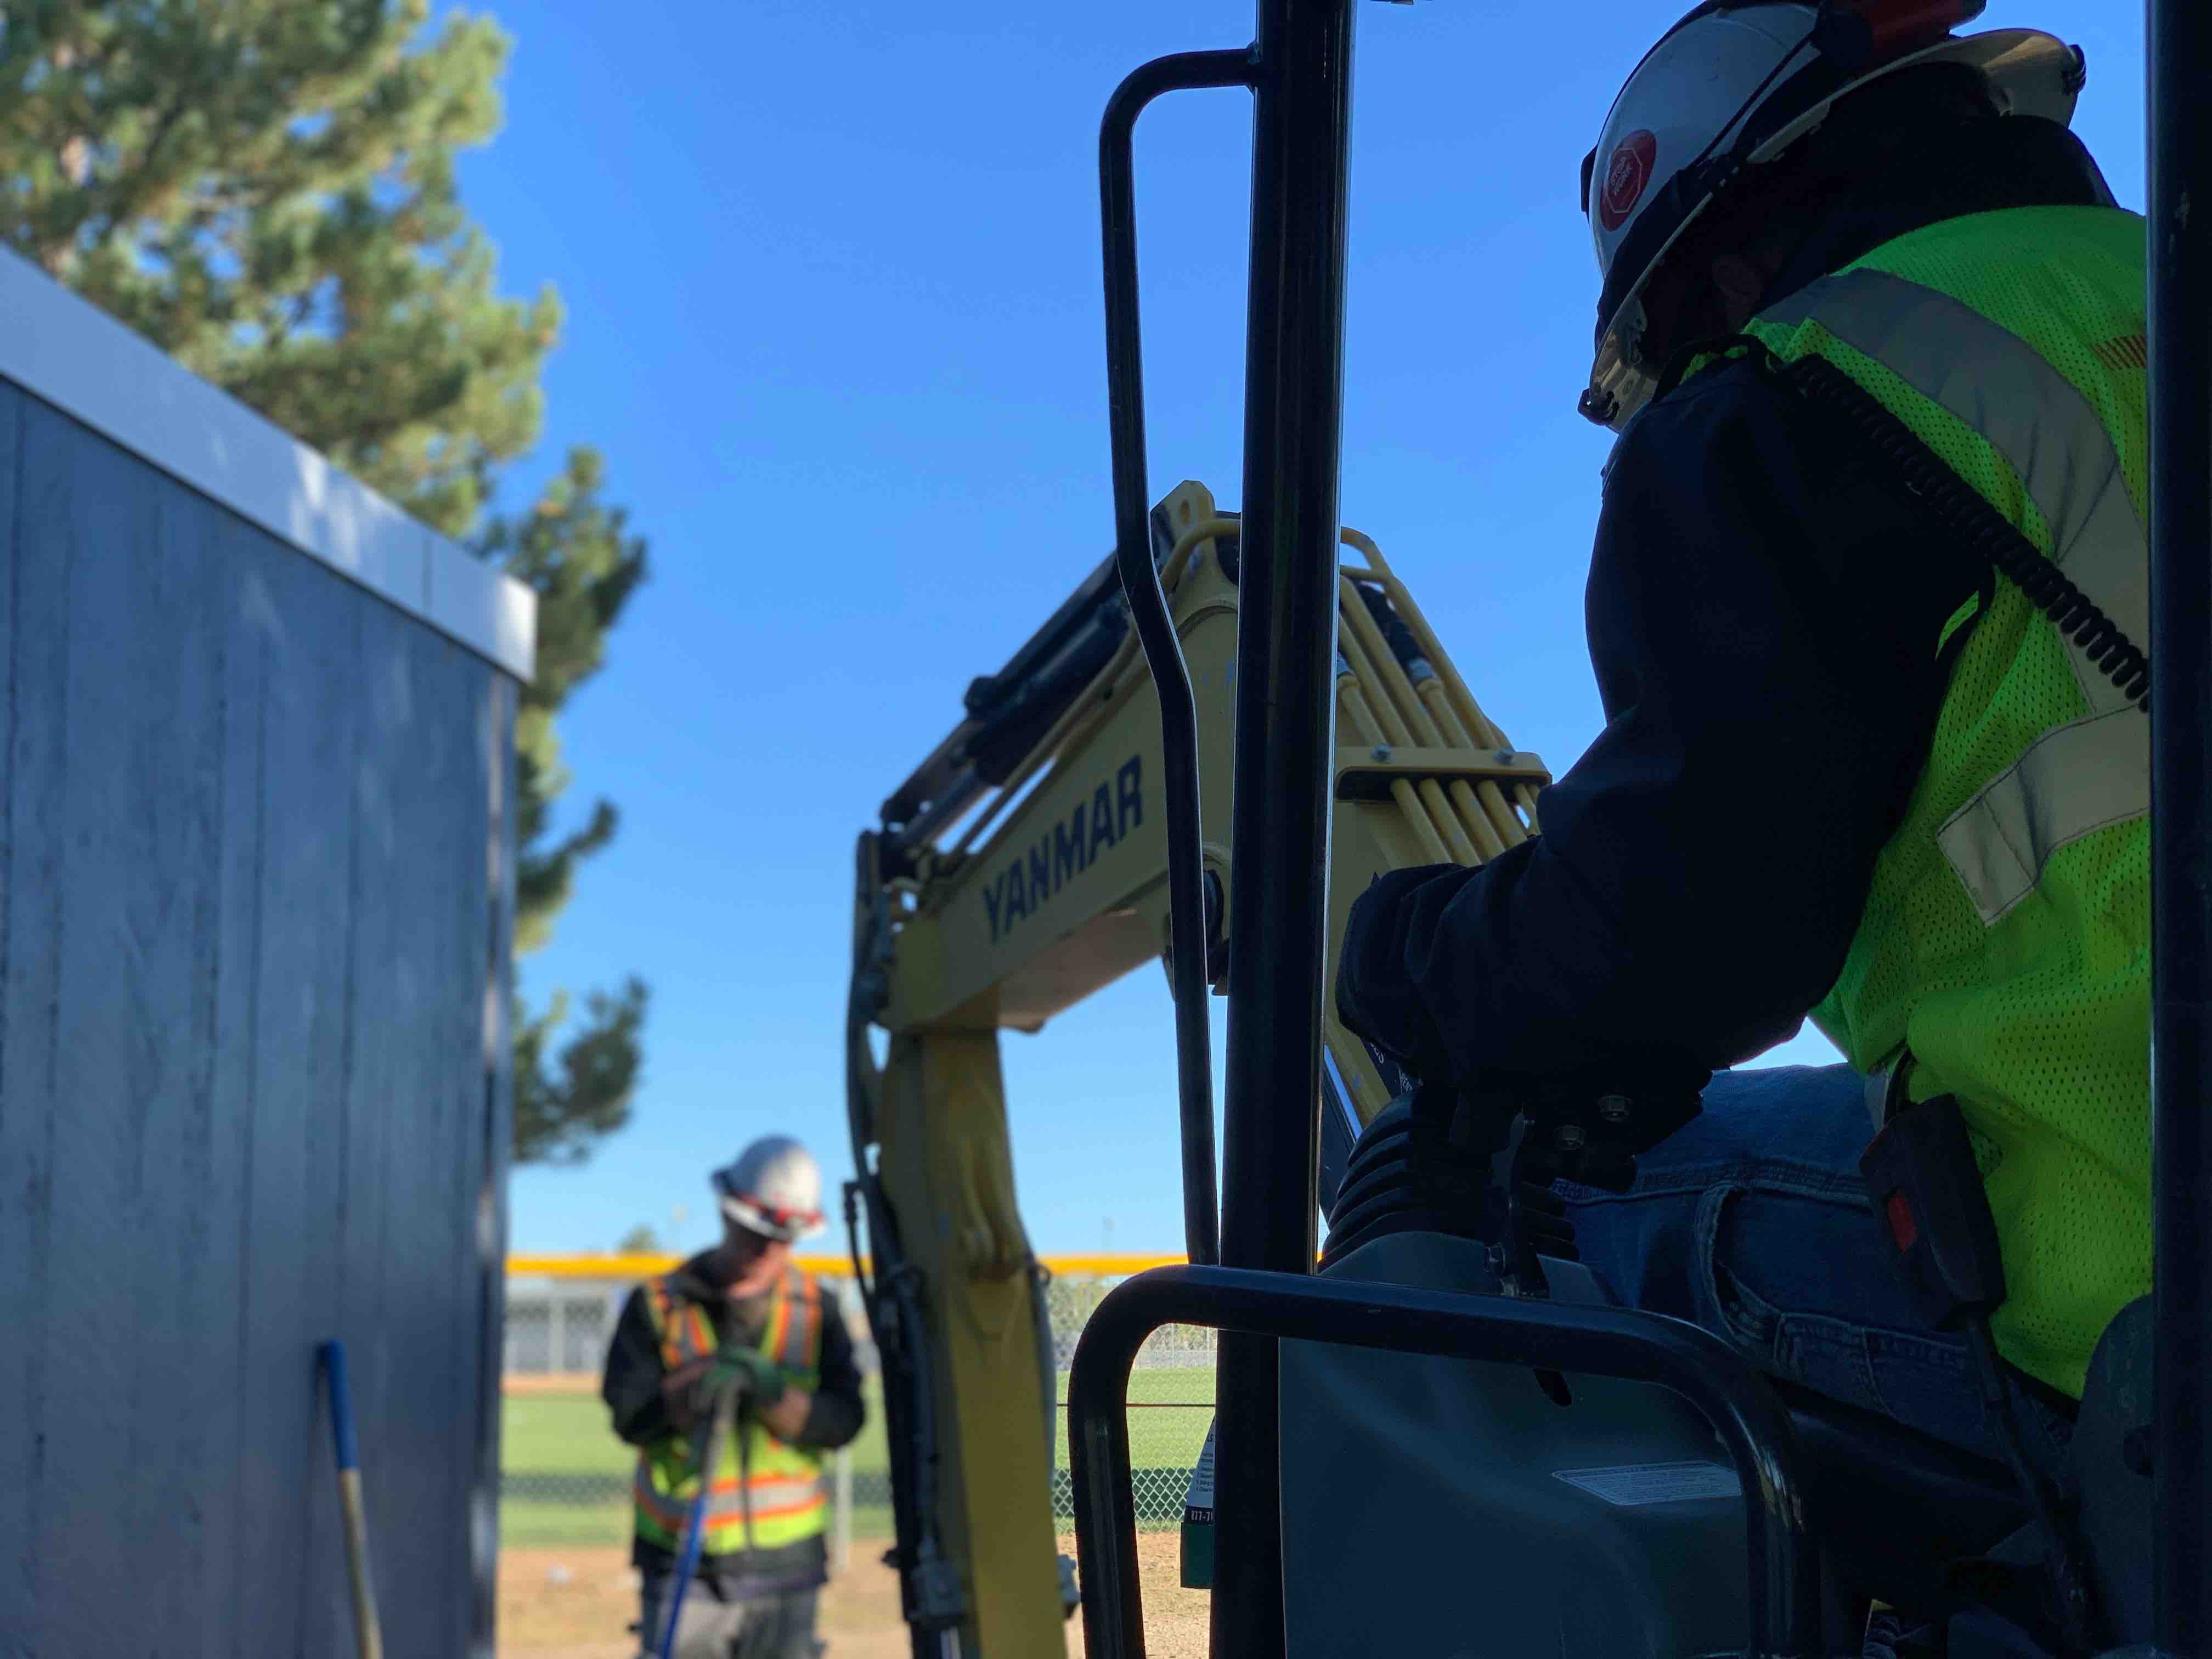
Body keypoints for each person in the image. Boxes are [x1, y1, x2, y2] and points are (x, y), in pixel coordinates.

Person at [1336, 0, 2146, 1493]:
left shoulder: (1807, 391)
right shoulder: (2143, 292)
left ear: (1711, 251)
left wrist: (1397, 955)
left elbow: (1683, 922)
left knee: (1513, 1189)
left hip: (2118, 1262)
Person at [602, 1136, 866, 1659]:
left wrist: (775, 1397)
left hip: (787, 1571)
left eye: (782, 1239)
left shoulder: (817, 1310)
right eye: (756, 1234)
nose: (768, 1251)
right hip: (683, 1562)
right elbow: (630, 1417)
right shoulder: (657, 1306)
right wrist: (695, 1386)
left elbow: (845, 1421)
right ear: (729, 1216)